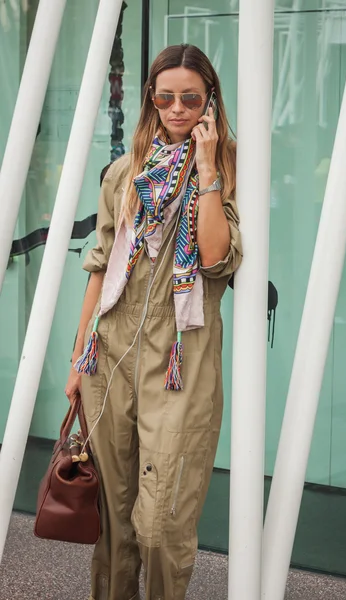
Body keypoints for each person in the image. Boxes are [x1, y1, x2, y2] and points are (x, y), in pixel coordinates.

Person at [65, 43, 242, 600]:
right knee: (113, 524)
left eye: (190, 98)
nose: (176, 109)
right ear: (151, 100)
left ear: (209, 99)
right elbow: (99, 270)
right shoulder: (125, 172)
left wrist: (209, 170)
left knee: (163, 524)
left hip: (178, 364)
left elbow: (215, 257)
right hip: (109, 358)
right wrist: (77, 361)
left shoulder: (233, 168)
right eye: (164, 97)